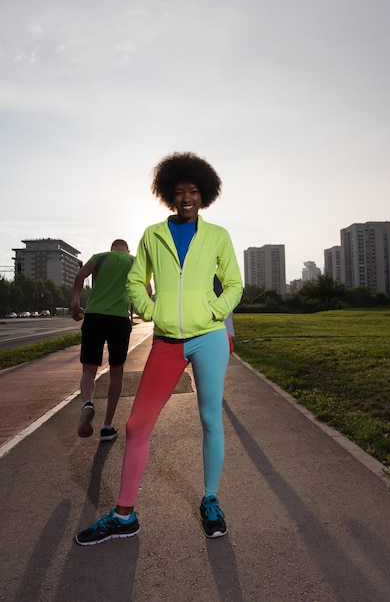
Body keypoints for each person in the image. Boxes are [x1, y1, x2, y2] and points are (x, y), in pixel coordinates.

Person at [75, 151, 243, 545]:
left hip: (209, 338)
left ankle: (210, 500)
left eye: (194, 191)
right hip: (167, 342)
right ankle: (124, 516)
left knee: (209, 419)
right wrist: (152, 311)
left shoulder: (217, 235)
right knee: (136, 425)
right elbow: (137, 281)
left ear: (205, 195)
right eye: (180, 191)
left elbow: (233, 284)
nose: (187, 198)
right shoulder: (153, 234)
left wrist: (214, 311)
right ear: (169, 194)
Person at [71, 239, 135, 442]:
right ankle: (107, 427)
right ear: (127, 249)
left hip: (94, 317)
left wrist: (75, 303)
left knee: (89, 370)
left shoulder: (100, 257)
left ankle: (87, 404)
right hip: (119, 319)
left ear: (112, 248)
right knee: (117, 373)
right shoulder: (134, 261)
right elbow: (147, 292)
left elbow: (80, 276)